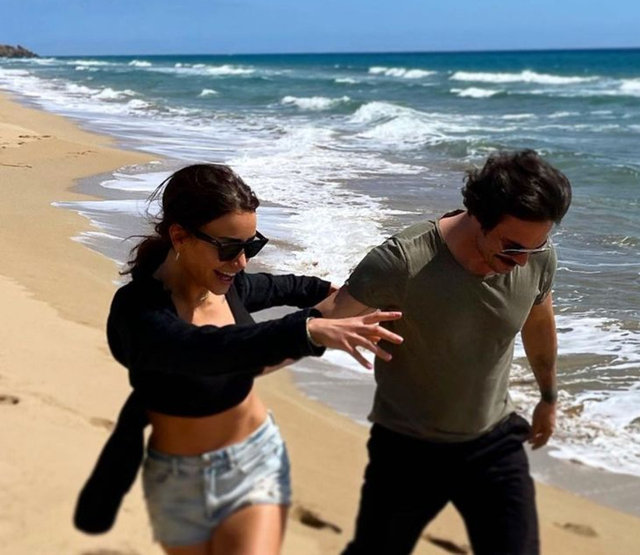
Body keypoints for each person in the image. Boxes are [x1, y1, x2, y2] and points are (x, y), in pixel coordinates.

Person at [73, 163, 403, 555]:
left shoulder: (227, 286)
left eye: (251, 246)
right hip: (179, 478)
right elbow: (207, 350)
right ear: (179, 236)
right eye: (230, 248)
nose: (242, 261)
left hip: (254, 457)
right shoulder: (138, 312)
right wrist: (307, 331)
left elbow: (284, 287)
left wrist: (335, 292)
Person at [317, 150, 572, 555]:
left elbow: (538, 324)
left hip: (493, 441)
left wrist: (549, 397)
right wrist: (235, 342)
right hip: (407, 449)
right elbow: (322, 322)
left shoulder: (535, 258)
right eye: (512, 248)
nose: (522, 261)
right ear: (479, 217)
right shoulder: (405, 261)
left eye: (535, 247)